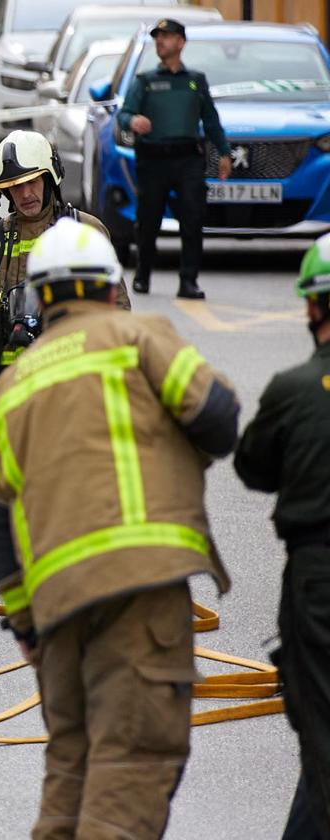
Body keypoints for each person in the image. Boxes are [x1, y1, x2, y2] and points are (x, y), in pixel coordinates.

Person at [0, 217, 238, 839]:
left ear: (38, 299)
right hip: (140, 590)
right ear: (111, 284)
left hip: (58, 607)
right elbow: (217, 418)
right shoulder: (138, 337)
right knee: (132, 765)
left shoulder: (11, 388)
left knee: (72, 766)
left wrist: (26, 619)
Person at [0, 129, 129, 591]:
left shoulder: (86, 233)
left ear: (51, 179)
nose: (25, 194)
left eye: (33, 182)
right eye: (15, 186)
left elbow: (117, 308)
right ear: (3, 192)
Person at [234, 233, 330, 840]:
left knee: (321, 736)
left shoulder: (293, 390)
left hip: (318, 584)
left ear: (312, 307)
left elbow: (253, 467)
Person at [117, 18, 232, 300]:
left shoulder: (195, 81)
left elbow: (211, 121)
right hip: (153, 160)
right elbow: (123, 115)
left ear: (180, 42)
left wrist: (225, 152)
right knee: (148, 220)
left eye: (166, 37)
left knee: (192, 218)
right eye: (157, 37)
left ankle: (189, 280)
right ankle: (143, 274)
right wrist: (133, 121)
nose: (160, 41)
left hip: (187, 159)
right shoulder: (145, 82)